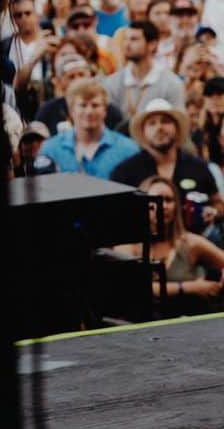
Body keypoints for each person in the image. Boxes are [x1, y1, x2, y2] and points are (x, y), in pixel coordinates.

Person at [117, 177, 224, 315]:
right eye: (157, 199)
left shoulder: (190, 243)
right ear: (143, 204)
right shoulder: (127, 245)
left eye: (168, 200)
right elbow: (134, 288)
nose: (164, 205)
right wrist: (191, 287)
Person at [110, 98, 221, 201]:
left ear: (177, 128)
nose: (159, 128)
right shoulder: (125, 172)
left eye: (165, 121)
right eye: (152, 123)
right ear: (143, 132)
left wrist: (214, 212)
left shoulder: (198, 167)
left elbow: (218, 203)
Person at [39, 79, 140, 179]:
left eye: (95, 105)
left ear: (105, 110)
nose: (89, 112)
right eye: (83, 105)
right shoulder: (51, 149)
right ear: (71, 110)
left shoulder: (128, 149)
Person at [106, 20, 185, 121]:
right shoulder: (112, 82)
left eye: (134, 39)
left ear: (152, 44)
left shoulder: (171, 83)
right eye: (126, 39)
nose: (127, 44)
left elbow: (178, 122)